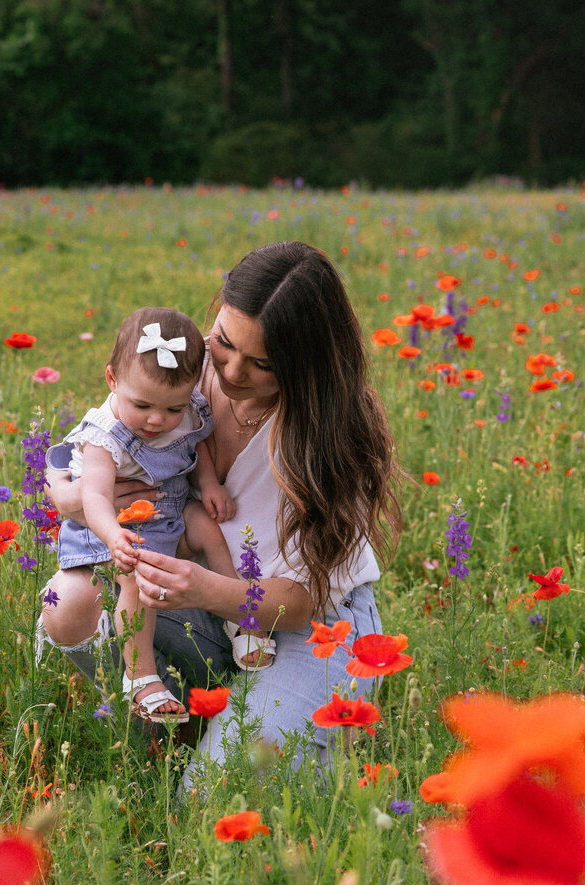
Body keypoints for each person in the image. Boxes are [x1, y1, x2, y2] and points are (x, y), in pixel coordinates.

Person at [40, 241, 399, 767]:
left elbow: (301, 599)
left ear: (308, 366)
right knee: (70, 601)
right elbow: (90, 440)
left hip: (308, 622)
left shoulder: (331, 435)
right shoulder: (185, 364)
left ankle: (281, 726)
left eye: (262, 364)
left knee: (216, 796)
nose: (231, 371)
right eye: (225, 343)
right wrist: (69, 494)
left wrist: (207, 587)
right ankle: (166, 735)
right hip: (196, 598)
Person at [40, 307, 255, 724]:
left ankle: (241, 618)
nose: (158, 420)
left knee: (209, 530)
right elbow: (96, 498)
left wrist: (208, 486)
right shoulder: (105, 435)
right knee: (137, 582)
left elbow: (197, 447)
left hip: (169, 511)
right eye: (143, 405)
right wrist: (114, 537)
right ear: (112, 380)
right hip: (115, 526)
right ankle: (142, 681)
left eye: (172, 409)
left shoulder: (186, 409)